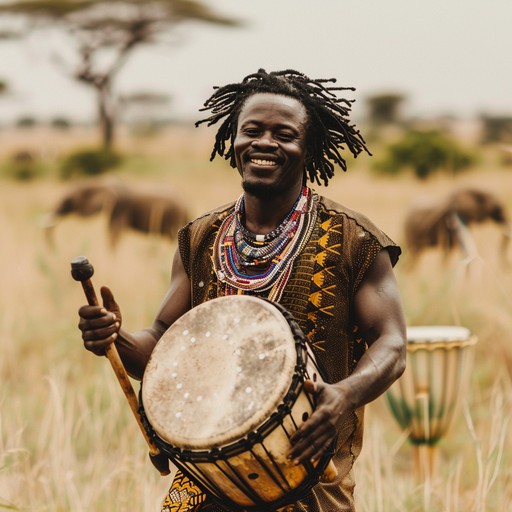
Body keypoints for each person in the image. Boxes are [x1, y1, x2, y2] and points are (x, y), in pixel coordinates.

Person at [78, 69, 407, 512]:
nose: (265, 142)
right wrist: (115, 338)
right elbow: (158, 346)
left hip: (306, 474)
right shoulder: (200, 238)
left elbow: (392, 344)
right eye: (251, 130)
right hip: (206, 479)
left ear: (306, 149)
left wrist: (344, 395)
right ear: (233, 140)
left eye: (284, 134)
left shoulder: (355, 241)